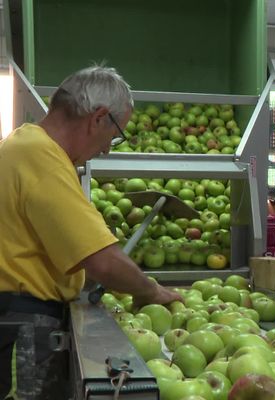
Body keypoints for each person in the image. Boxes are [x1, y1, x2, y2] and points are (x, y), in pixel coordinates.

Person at [0, 66, 182, 399]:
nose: (108, 149)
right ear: (98, 118)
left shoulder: (25, 143)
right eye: (115, 135)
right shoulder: (41, 157)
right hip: (19, 327)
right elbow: (103, 262)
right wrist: (152, 292)